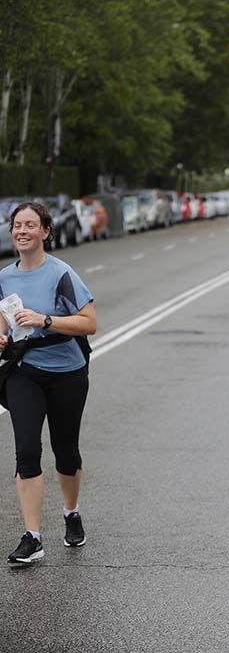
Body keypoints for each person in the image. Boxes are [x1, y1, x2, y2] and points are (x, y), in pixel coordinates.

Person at [1, 202, 97, 564]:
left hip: (67, 373)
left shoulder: (61, 273)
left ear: (45, 231)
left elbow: (89, 322)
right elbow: (3, 321)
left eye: (30, 225)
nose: (22, 231)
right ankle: (33, 537)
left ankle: (71, 512)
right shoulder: (4, 277)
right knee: (26, 450)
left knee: (65, 450)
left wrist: (45, 320)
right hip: (24, 371)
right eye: (17, 225)